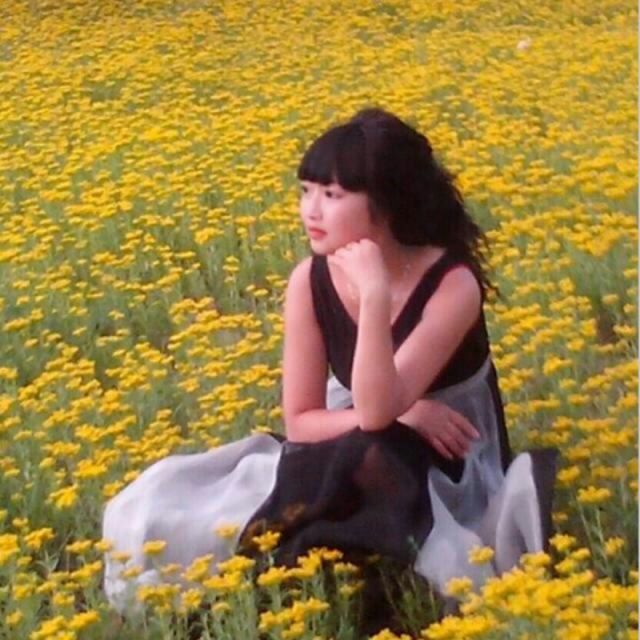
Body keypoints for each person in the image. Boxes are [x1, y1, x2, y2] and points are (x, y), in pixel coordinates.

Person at [102, 108, 556, 617]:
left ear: (386, 202)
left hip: (449, 454)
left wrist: (375, 295)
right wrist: (407, 412)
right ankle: (286, 577)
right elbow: (302, 421)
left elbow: (379, 410)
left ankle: (327, 575)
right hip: (357, 433)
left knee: (372, 454)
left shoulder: (452, 284)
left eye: (332, 195)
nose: (311, 211)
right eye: (306, 191)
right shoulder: (309, 280)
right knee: (189, 493)